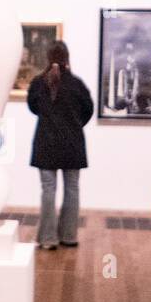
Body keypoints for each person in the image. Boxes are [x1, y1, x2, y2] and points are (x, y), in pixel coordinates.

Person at [26, 41, 93, 250]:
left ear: (48, 57)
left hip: (46, 143)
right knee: (72, 189)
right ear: (67, 58)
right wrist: (73, 124)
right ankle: (69, 236)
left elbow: (33, 107)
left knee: (48, 190)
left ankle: (47, 238)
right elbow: (88, 110)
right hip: (73, 144)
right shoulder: (77, 84)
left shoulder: (38, 83)